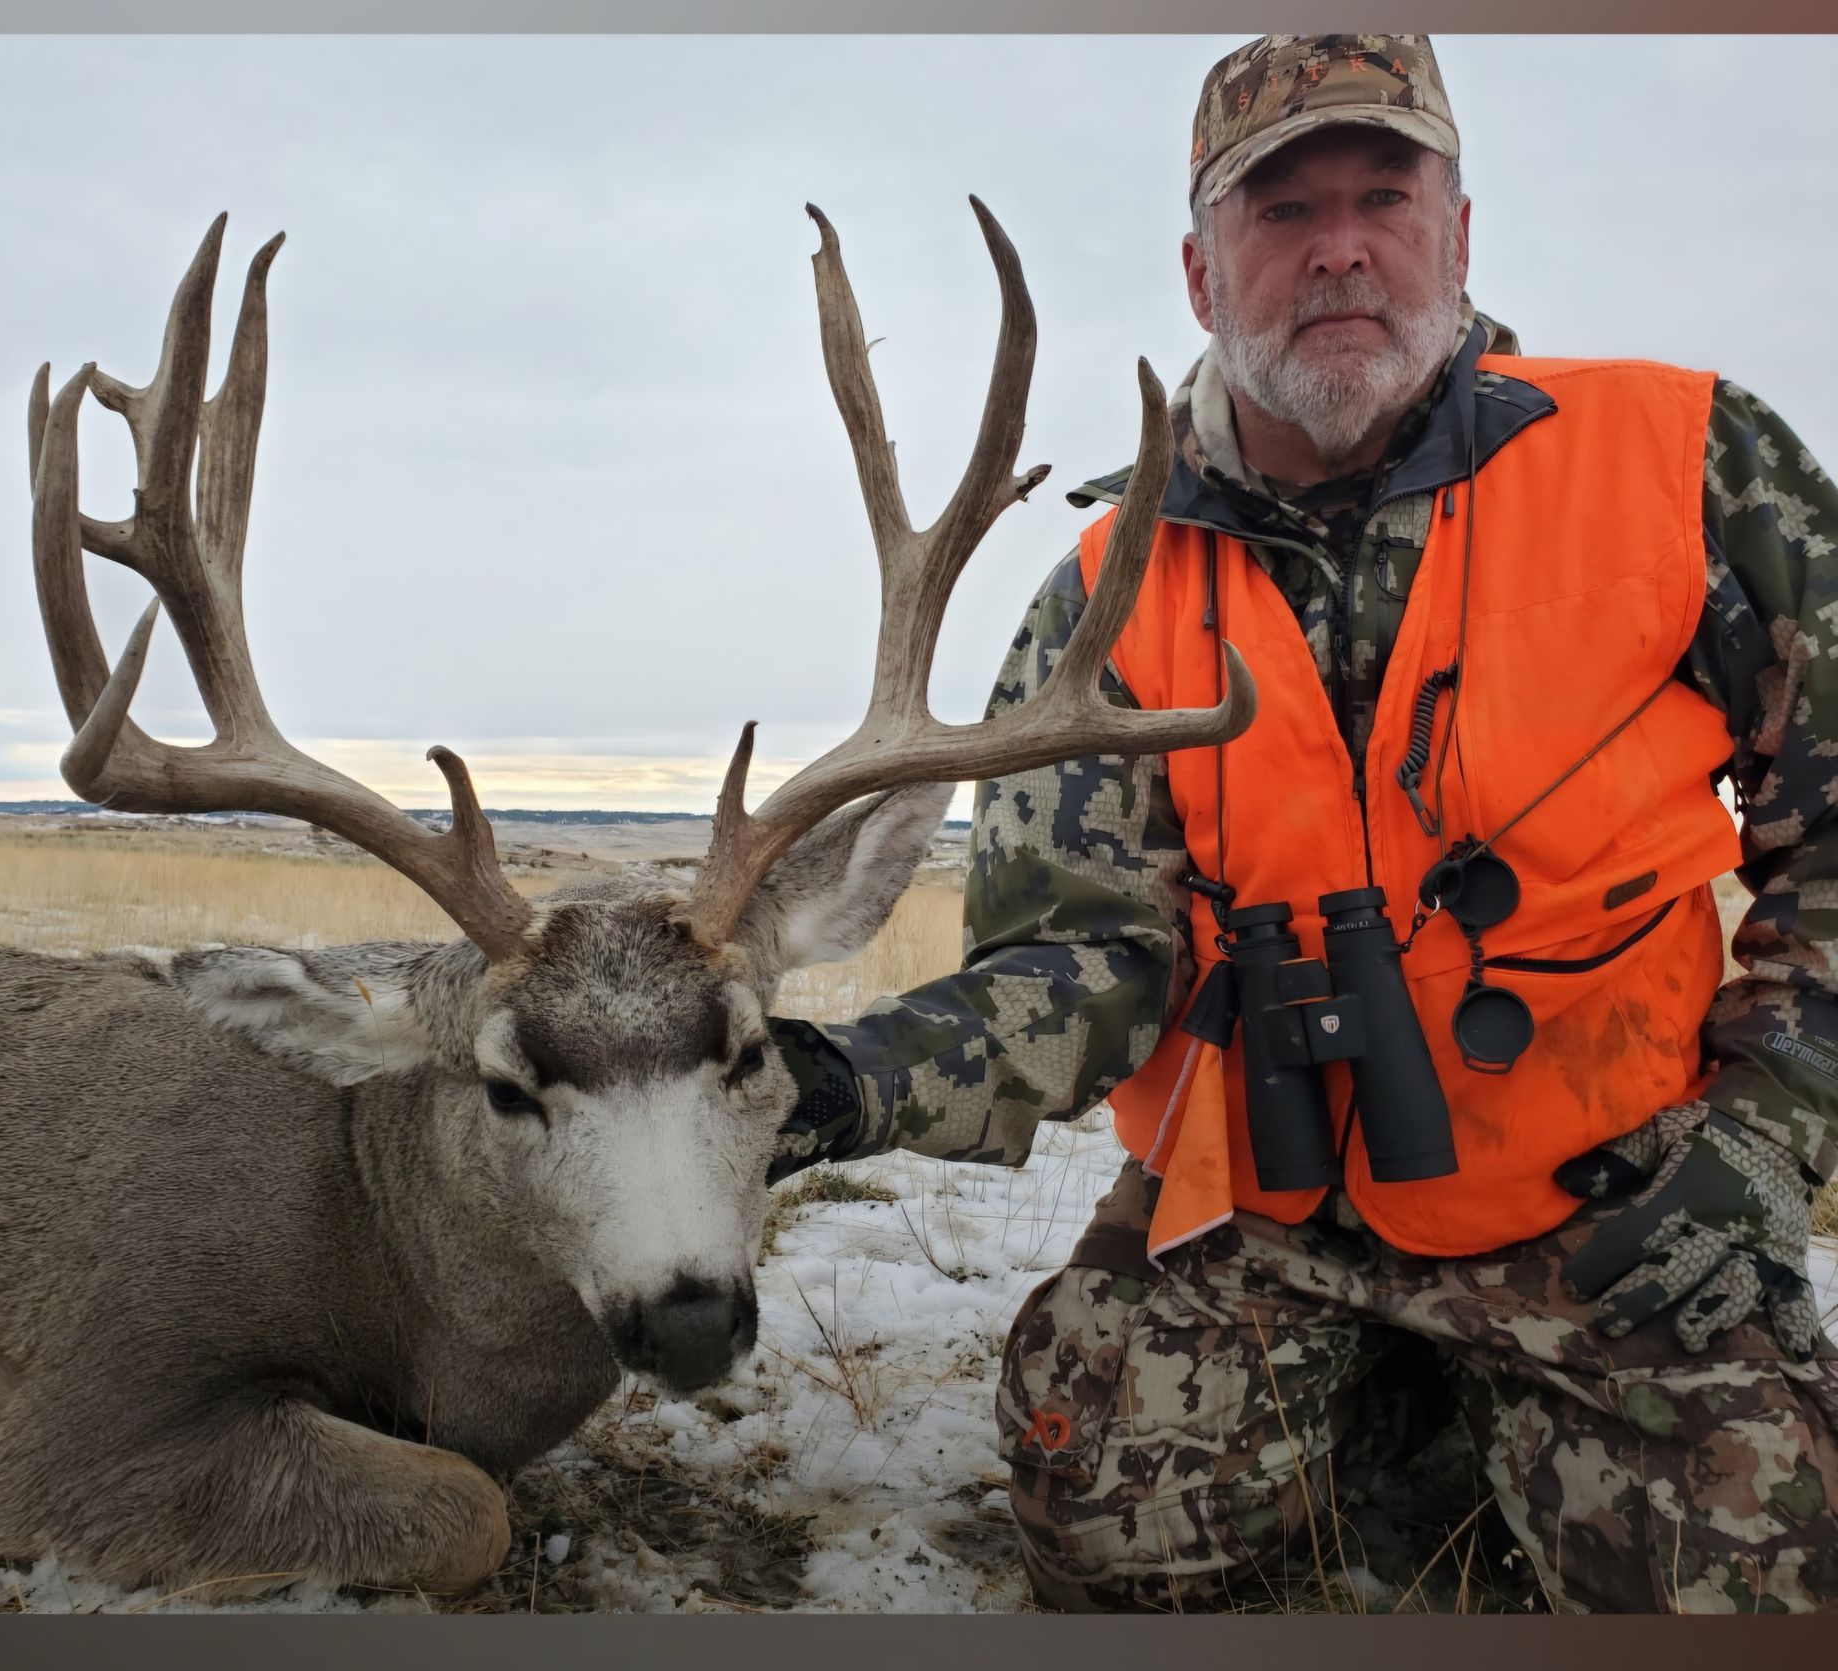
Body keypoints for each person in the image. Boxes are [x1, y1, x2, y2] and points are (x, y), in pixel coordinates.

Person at [765, 32, 1838, 1613]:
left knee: (1752, 1577)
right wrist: (837, 1083)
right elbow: (1081, 960)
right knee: (1101, 1501)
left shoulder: (1689, 463)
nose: (1339, 248)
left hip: (1616, 1198)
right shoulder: (1105, 595)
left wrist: (1766, 1135)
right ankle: (1407, 1413)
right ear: (1202, 274)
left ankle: (1458, 1417)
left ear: (1459, 236)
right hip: (1267, 1209)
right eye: (1279, 213)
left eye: (1383, 197)